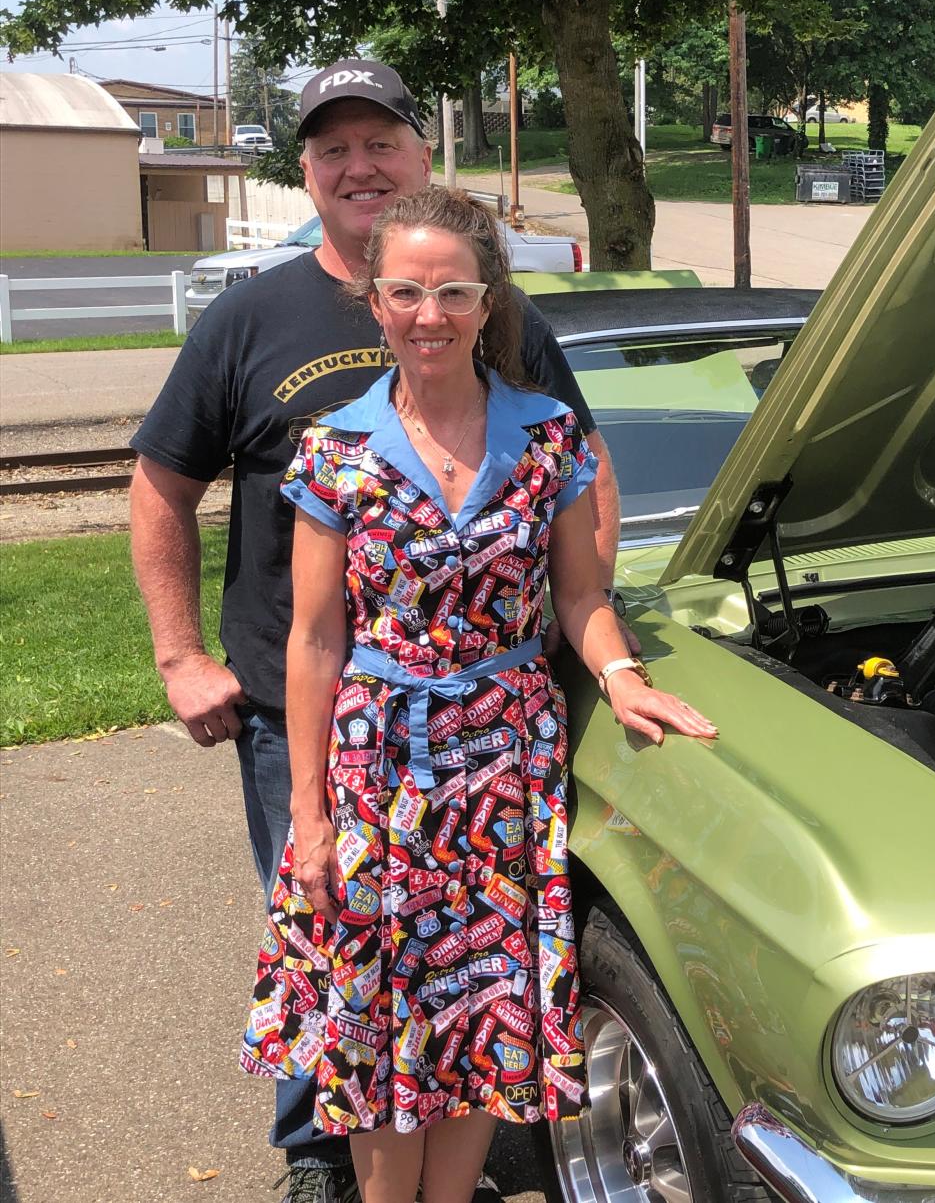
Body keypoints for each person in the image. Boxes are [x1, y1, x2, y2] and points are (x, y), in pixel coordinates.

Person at [129, 59, 626, 1203]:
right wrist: (179, 655)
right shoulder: (251, 319)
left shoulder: (513, 328)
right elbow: (161, 485)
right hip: (312, 707)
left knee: (461, 977)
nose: (357, 165)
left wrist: (597, 630)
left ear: (419, 153)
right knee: (343, 952)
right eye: (331, 149)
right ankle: (320, 1166)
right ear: (306, 171)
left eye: (380, 143)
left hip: (492, 728)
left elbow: (577, 471)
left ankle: (435, 1173)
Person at [240, 188, 716, 1203]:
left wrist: (625, 680)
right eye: (406, 291)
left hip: (506, 759)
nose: (429, 315)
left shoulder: (549, 438)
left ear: (488, 298)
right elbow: (317, 637)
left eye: (453, 291)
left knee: (483, 1006)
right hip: (381, 765)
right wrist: (309, 813)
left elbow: (581, 594)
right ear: (375, 302)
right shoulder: (339, 449)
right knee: (380, 1011)